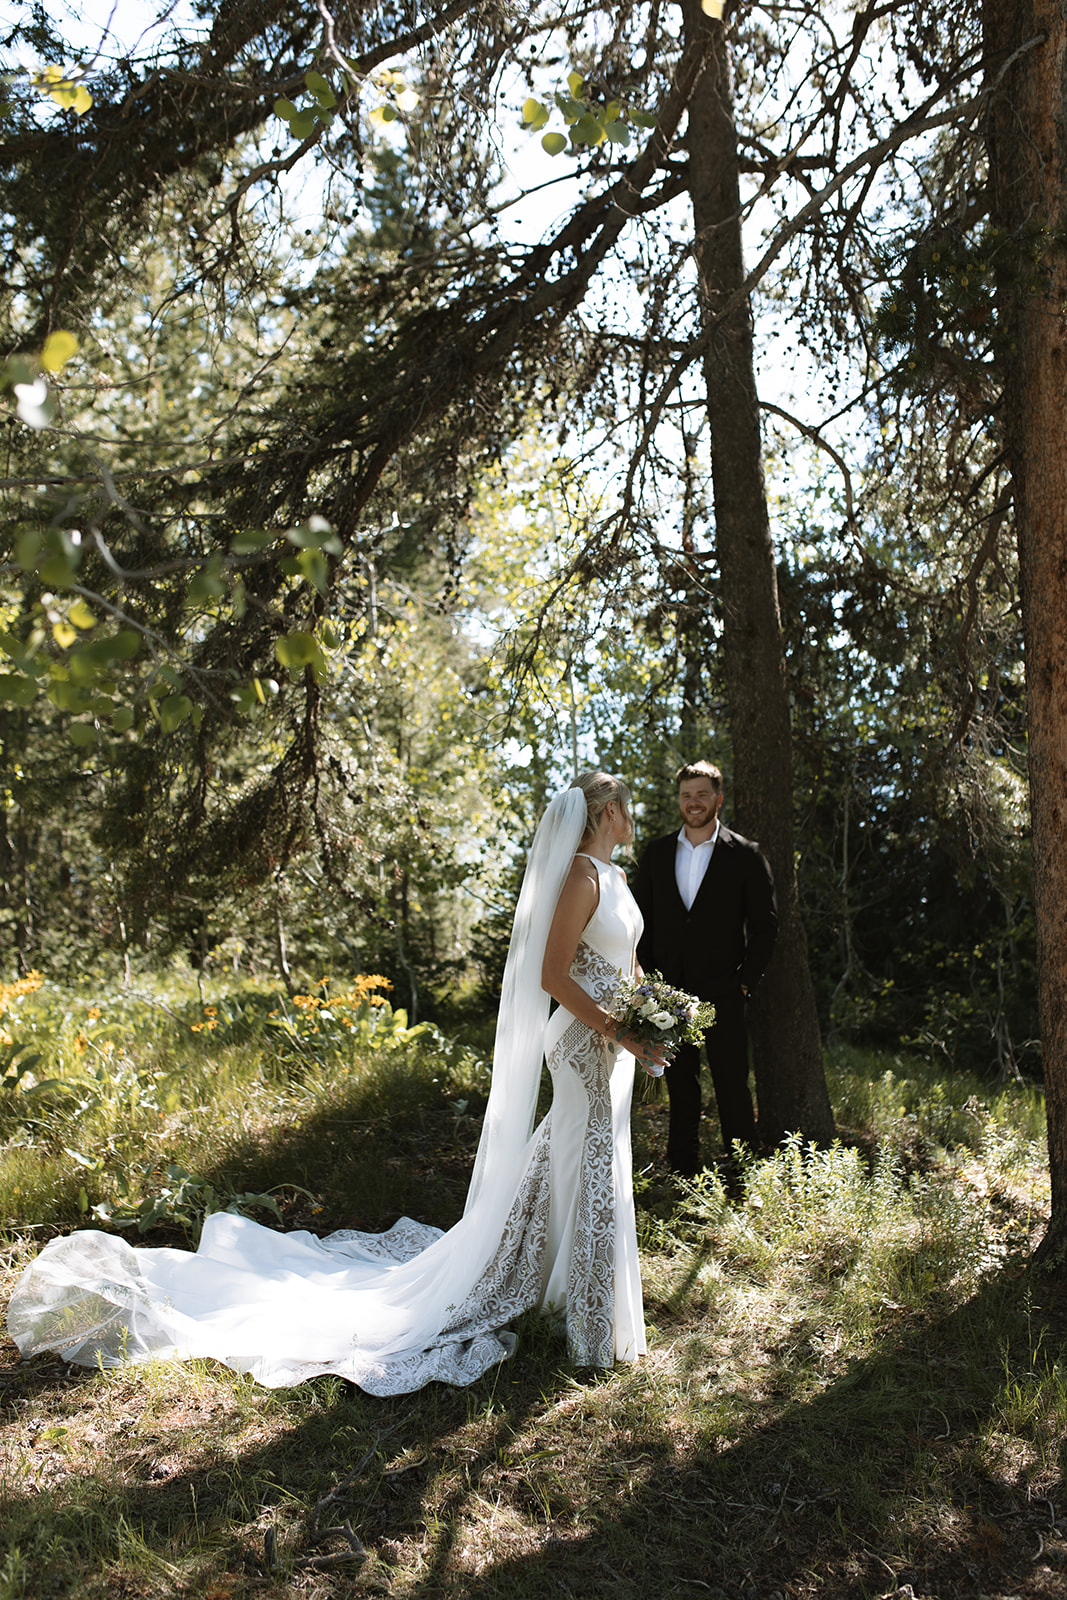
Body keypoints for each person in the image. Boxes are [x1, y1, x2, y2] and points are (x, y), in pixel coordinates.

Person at [7, 772, 661, 1394]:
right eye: (627, 808)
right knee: (593, 1158)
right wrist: (618, 1027)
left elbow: (626, 964)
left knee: (582, 1158)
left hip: (618, 1041)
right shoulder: (578, 875)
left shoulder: (617, 876)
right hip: (583, 1045)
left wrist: (658, 1017)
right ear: (607, 812)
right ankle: (590, 1330)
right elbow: (553, 975)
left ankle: (548, 1284)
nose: (631, 819)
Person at [632, 761, 777, 1177]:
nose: (693, 803)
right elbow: (641, 921)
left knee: (732, 1084)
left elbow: (766, 927)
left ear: (718, 798)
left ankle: (742, 1172)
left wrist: (745, 983)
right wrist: (652, 983)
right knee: (681, 1087)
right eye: (686, 796)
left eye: (701, 795)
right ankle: (682, 1170)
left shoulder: (745, 854)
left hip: (726, 991)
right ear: (678, 800)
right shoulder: (657, 853)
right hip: (669, 995)